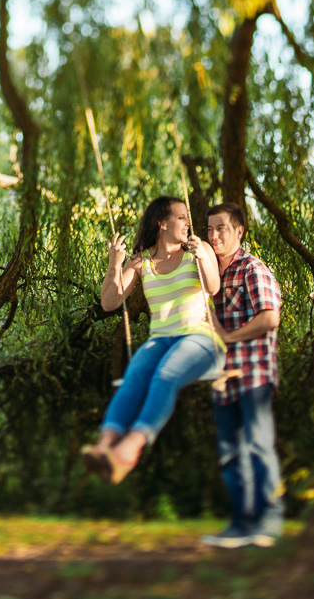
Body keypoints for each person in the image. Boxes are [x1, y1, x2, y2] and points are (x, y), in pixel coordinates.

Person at [82, 195, 225, 485]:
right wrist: (114, 263)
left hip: (200, 338)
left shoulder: (199, 249)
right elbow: (110, 302)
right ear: (162, 223)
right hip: (160, 340)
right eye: (181, 217)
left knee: (166, 374)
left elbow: (213, 287)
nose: (189, 223)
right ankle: (104, 446)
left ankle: (128, 451)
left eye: (188, 217)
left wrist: (201, 257)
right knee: (134, 376)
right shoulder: (142, 261)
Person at [200, 201, 285, 549]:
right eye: (209, 229)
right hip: (223, 375)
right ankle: (241, 523)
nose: (214, 235)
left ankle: (269, 521)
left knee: (258, 445)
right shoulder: (207, 276)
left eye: (222, 228)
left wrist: (228, 337)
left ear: (239, 231)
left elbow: (270, 318)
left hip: (252, 370)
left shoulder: (252, 268)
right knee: (230, 451)